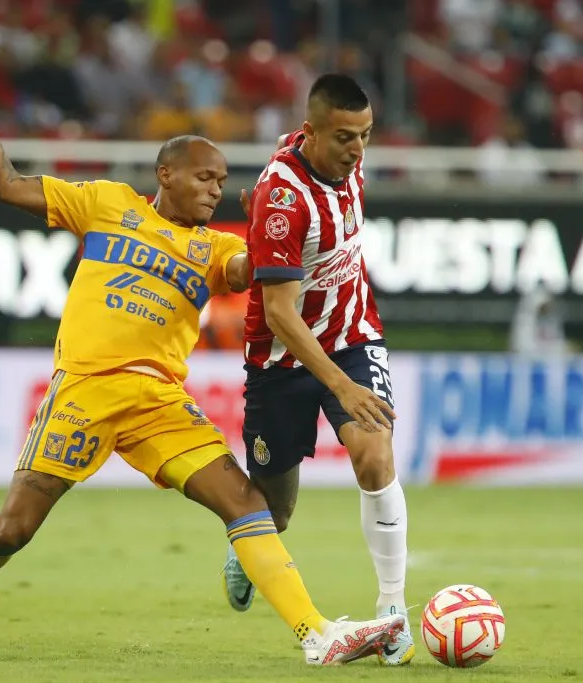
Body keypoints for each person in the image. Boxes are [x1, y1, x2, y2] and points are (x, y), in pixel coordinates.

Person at [0, 34, 404, 666]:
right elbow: (3, 185)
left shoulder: (214, 248)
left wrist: (259, 227)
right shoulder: (103, 204)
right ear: (165, 173)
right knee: (14, 530)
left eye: (222, 182)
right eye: (204, 177)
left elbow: (258, 270)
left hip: (158, 403)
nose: (213, 191)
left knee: (246, 503)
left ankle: (316, 635)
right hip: (84, 390)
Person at [220, 74, 415, 666]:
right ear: (311, 133)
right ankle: (251, 544)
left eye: (366, 135)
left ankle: (392, 612)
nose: (358, 150)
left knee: (374, 454)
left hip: (355, 334)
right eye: (344, 138)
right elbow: (279, 313)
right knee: (274, 509)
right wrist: (340, 385)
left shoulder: (340, 157)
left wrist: (351, 376)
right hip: (282, 358)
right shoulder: (283, 199)